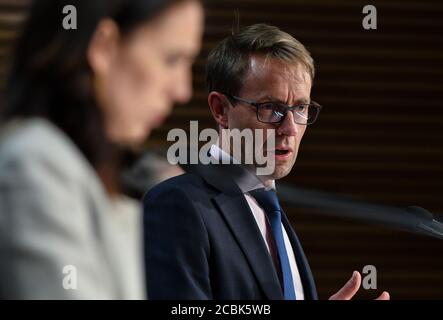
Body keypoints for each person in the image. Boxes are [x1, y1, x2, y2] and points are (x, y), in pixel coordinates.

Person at [143, 23, 390, 300]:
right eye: (271, 108)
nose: (290, 129)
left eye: (300, 108)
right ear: (221, 109)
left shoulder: (269, 207)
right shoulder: (177, 204)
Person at [0, 0, 203, 299]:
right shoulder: (35, 165)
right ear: (104, 46)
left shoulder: (90, 173)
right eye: (172, 59)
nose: (182, 90)